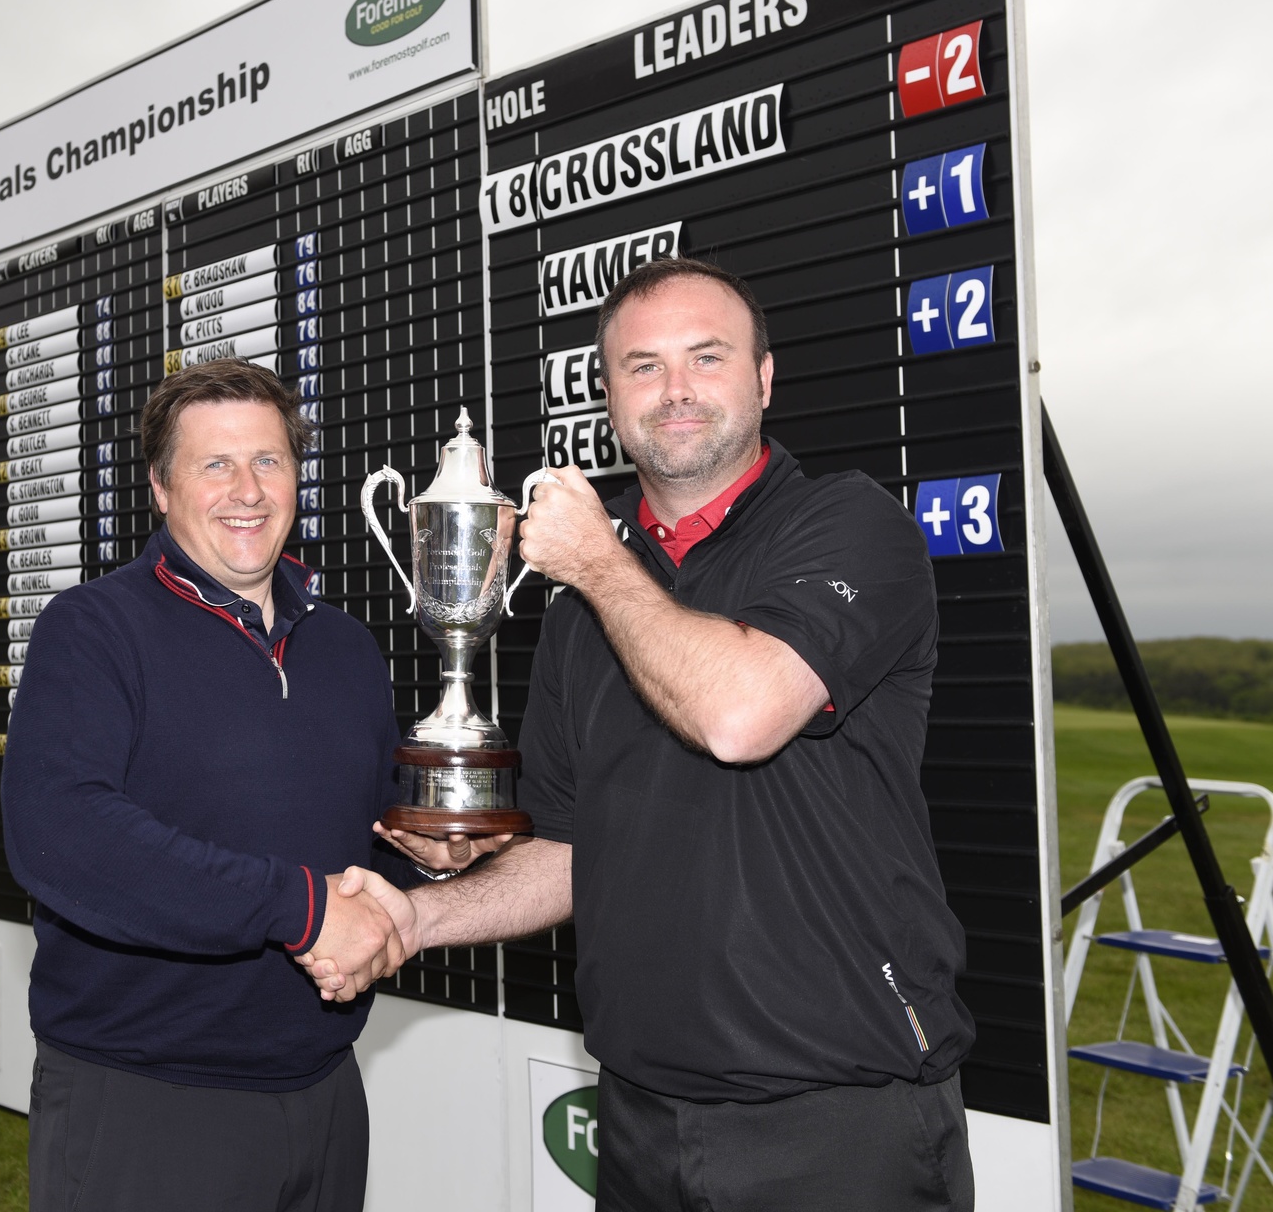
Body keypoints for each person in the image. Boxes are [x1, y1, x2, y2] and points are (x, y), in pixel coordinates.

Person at [310, 258, 977, 1210]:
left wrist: (597, 565)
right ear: (610, 397)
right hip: (639, 1110)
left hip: (838, 1111)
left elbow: (741, 716)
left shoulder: (848, 525)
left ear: (763, 379)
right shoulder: (588, 593)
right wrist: (420, 917)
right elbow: (576, 852)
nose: (675, 391)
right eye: (642, 366)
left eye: (707, 357)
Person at [3, 358, 460, 1211]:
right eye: (214, 464)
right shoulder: (93, 630)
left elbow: (367, 848)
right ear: (161, 490)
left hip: (324, 1087)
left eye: (269, 461)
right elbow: (63, 836)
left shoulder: (347, 649)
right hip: (146, 1098)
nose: (246, 489)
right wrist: (302, 907)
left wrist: (426, 859)